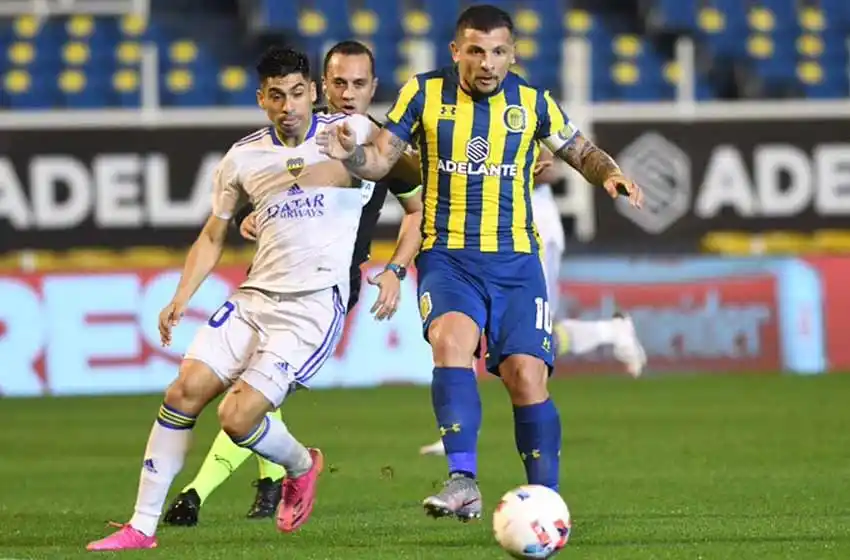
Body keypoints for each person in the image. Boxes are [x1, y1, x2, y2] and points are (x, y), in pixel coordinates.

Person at [318, 4, 642, 521]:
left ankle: (547, 500)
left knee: (526, 377)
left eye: (498, 52)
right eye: (475, 51)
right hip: (448, 255)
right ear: (456, 52)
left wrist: (609, 174)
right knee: (451, 342)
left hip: (516, 262)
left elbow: (580, 150)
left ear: (512, 54)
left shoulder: (533, 103)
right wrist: (352, 157)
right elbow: (380, 159)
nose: (487, 63)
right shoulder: (422, 94)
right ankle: (462, 481)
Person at [86, 46, 402, 551]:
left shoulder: (350, 131)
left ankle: (301, 465)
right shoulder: (243, 156)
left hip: (313, 304)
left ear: (314, 92)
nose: (289, 106)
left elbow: (381, 163)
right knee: (181, 393)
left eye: (298, 93)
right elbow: (213, 234)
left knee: (237, 418)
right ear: (262, 99)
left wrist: (356, 160)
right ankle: (140, 528)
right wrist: (180, 296)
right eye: (277, 96)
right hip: (255, 296)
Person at [161, 40, 423, 528]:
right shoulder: (301, 134)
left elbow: (417, 211)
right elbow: (261, 197)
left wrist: (396, 268)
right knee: (248, 393)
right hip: (269, 282)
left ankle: (211, 488)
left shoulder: (384, 147)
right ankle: (260, 479)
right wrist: (255, 219)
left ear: (374, 88)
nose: (348, 94)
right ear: (322, 87)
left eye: (359, 84)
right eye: (339, 84)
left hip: (327, 290)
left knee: (248, 395)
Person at [417, 149, 646, 457]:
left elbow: (554, 165)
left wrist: (520, 167)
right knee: (463, 327)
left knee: (537, 338)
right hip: (484, 228)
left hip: (533, 226)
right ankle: (459, 429)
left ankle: (612, 332)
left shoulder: (526, 105)